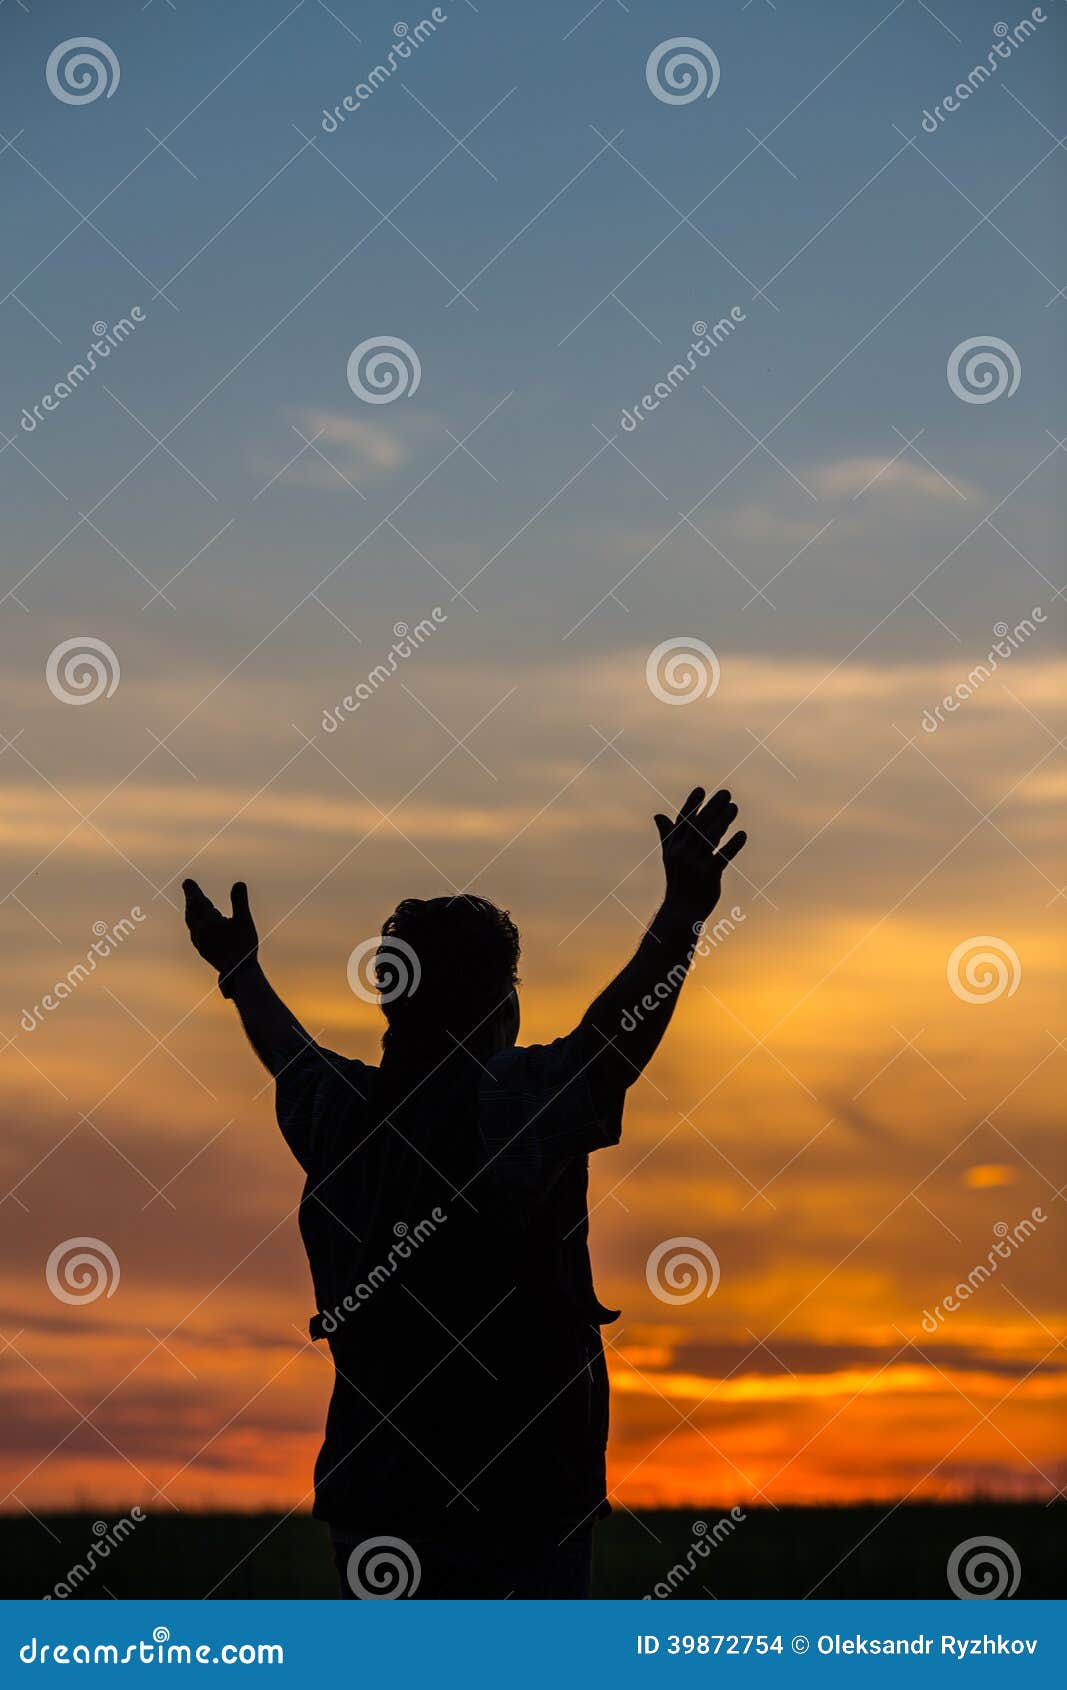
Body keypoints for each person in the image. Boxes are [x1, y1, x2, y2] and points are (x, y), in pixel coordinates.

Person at [182, 785, 746, 1598]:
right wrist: (682, 915)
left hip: (371, 1506)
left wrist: (241, 972)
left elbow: (285, 1049)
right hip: (515, 1514)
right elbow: (612, 1043)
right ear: (503, 1000)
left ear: (388, 1000)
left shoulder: (337, 1116)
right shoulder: (508, 1107)